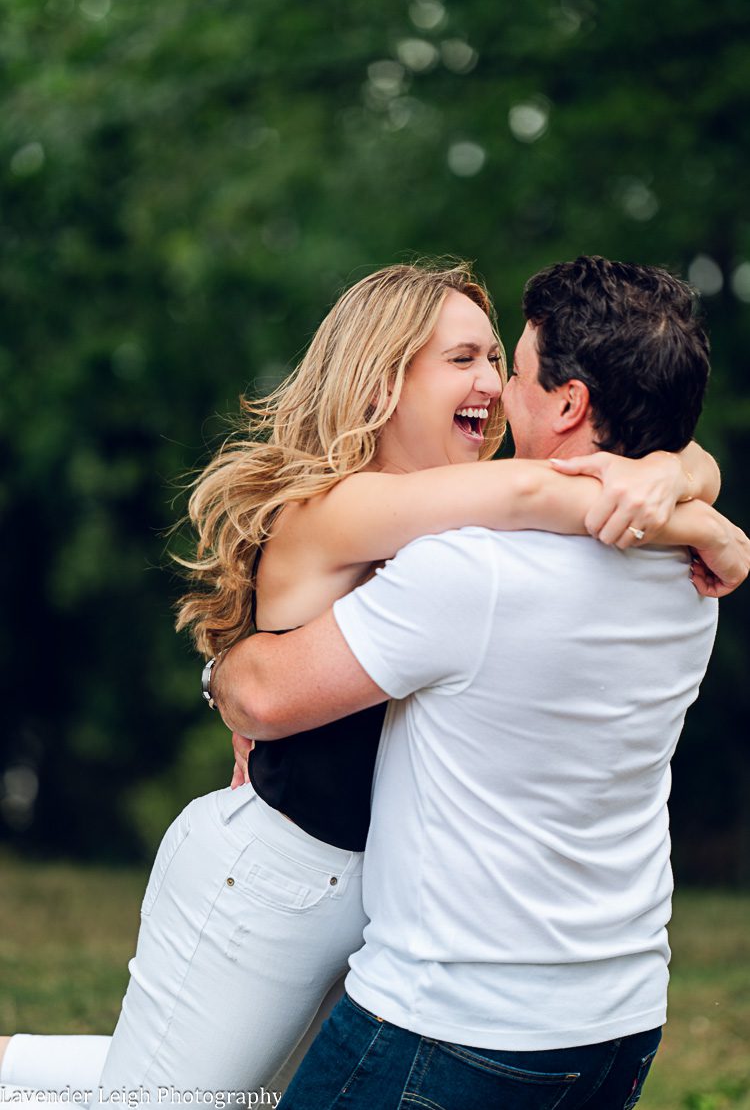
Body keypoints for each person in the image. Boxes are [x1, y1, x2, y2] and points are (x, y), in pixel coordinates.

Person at [0, 261, 740, 1104]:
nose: (493, 386)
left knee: (221, 1097)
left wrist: (679, 476)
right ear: (384, 378)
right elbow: (551, 485)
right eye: (462, 358)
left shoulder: (456, 521)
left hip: (361, 894)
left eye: (498, 360)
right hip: (273, 872)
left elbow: (582, 478)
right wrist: (695, 508)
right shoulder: (345, 506)